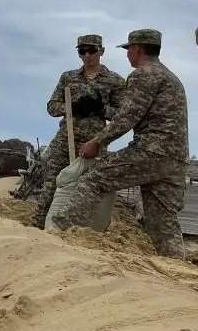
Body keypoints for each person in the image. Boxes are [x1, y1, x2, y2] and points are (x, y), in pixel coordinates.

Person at [51, 29, 189, 257]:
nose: (127, 55)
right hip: (176, 160)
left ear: (138, 49)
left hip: (151, 151)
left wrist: (96, 141)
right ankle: (175, 271)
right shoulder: (171, 78)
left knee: (93, 179)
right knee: (163, 223)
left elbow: (127, 117)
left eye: (128, 49)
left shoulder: (144, 74)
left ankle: (60, 234)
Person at [32, 35, 125, 228]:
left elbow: (123, 114)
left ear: (101, 51)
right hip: (66, 138)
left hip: (95, 141)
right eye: (82, 51)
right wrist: (72, 107)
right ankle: (39, 225)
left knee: (88, 185)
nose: (87, 55)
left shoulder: (114, 81)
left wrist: (101, 110)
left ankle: (80, 229)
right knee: (52, 181)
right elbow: (51, 107)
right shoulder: (69, 77)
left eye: (92, 50)